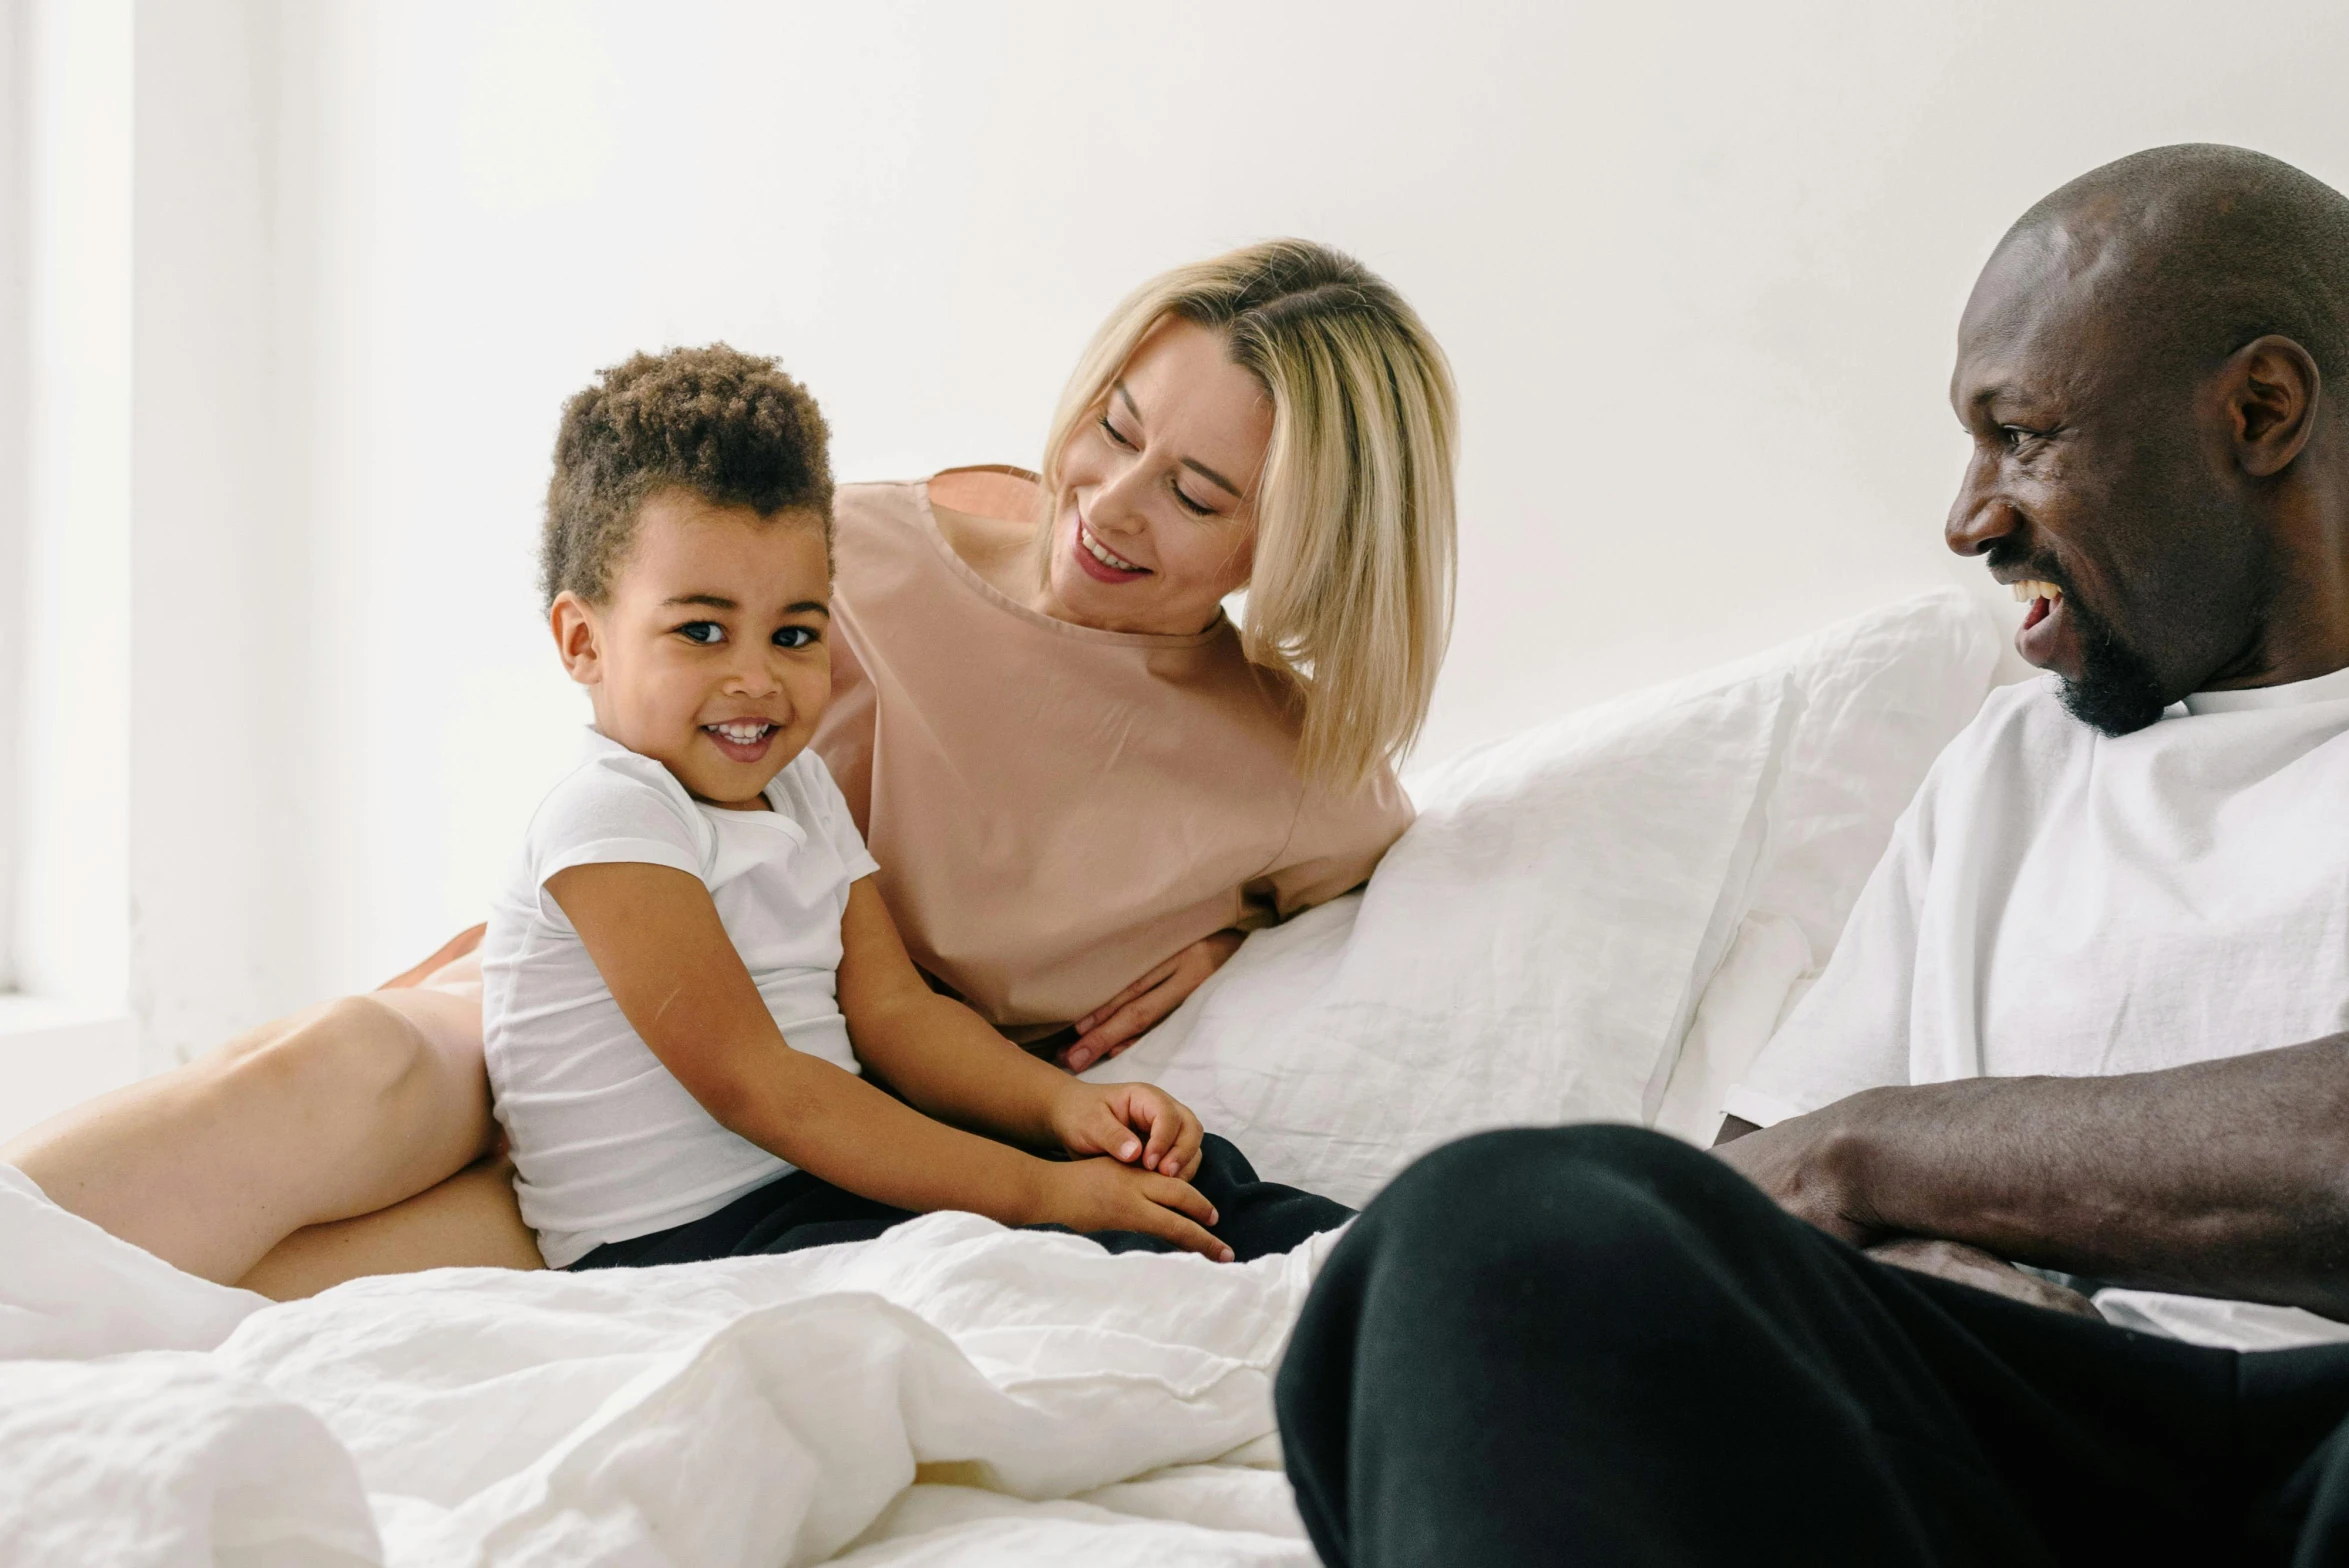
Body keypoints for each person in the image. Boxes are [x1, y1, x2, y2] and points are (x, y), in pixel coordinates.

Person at [1, 239, 1453, 1294]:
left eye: (1197, 495)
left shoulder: (1300, 781)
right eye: (1114, 431)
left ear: (1305, 538)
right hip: (616, 1004)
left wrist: (1223, 940)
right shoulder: (865, 550)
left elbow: (1346, 890)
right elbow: (647, 733)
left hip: (793, 1143)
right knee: (350, 1069)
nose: (1111, 507)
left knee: (280, 1307)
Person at [1276, 144, 2349, 1567]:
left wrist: (1875, 1154)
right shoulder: (2004, 771)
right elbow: (1743, 1205)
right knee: (1486, 1232)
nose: (1968, 516)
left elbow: (1823, 1162)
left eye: (2019, 434)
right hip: (2020, 1428)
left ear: (2260, 411)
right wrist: (1902, 1246)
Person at [488, 343, 1343, 1268]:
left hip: (807, 1181)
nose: (756, 678)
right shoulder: (611, 820)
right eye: (701, 631)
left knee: (1187, 1178)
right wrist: (1040, 1194)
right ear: (583, 641)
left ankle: (1383, 1258)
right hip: (690, 1236)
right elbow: (766, 1089)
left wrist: (1063, 1108)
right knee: (1050, 1248)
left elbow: (897, 1014)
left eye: (795, 634)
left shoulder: (798, 787)